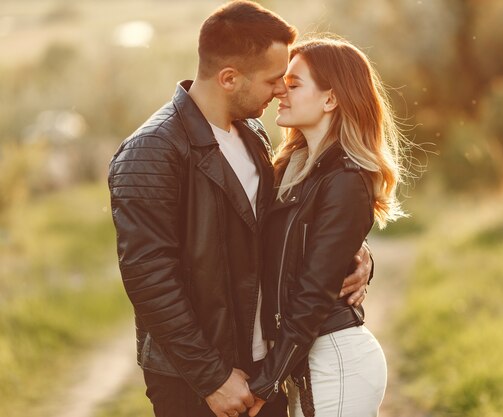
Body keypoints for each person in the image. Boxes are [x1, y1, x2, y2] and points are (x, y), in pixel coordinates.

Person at [107, 3, 372, 417]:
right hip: (193, 382)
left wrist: (356, 256)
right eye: (273, 81)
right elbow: (149, 278)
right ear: (229, 78)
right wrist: (211, 378)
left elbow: (290, 228)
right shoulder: (152, 151)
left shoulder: (254, 135)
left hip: (263, 366)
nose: (280, 91)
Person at [246, 37, 407, 417]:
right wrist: (361, 258)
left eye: (294, 83)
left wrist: (266, 381)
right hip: (305, 361)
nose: (280, 93)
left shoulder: (347, 178)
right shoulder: (289, 170)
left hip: (336, 363)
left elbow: (314, 292)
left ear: (330, 99)